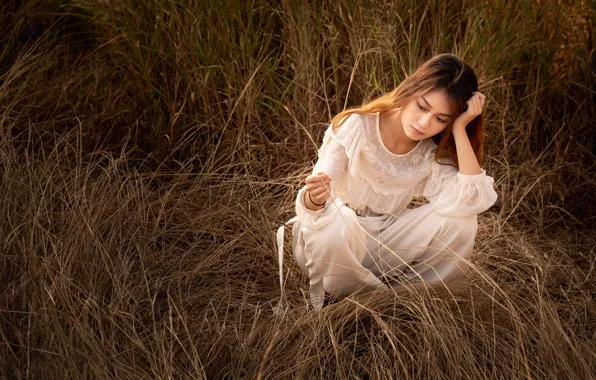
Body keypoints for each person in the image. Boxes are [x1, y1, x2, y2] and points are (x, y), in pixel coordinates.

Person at [273, 53, 498, 313]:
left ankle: (408, 301)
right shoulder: (357, 125)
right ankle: (352, 299)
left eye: (441, 119)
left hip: (385, 242)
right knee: (336, 219)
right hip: (333, 242)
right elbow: (315, 210)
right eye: (422, 107)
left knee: (461, 221)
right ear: (410, 90)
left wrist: (460, 129)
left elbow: (469, 201)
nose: (424, 123)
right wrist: (315, 198)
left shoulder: (432, 149)